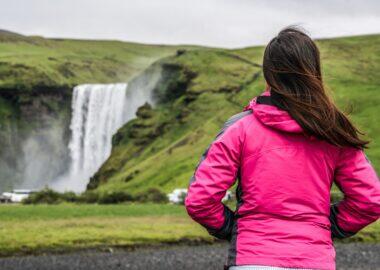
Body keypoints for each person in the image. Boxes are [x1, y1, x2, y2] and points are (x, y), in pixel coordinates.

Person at [185, 27, 380, 270]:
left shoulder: (240, 128)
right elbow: (369, 202)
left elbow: (200, 200)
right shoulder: (334, 132)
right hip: (314, 259)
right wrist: (325, 225)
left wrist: (235, 228)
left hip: (253, 257)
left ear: (268, 75)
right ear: (314, 71)